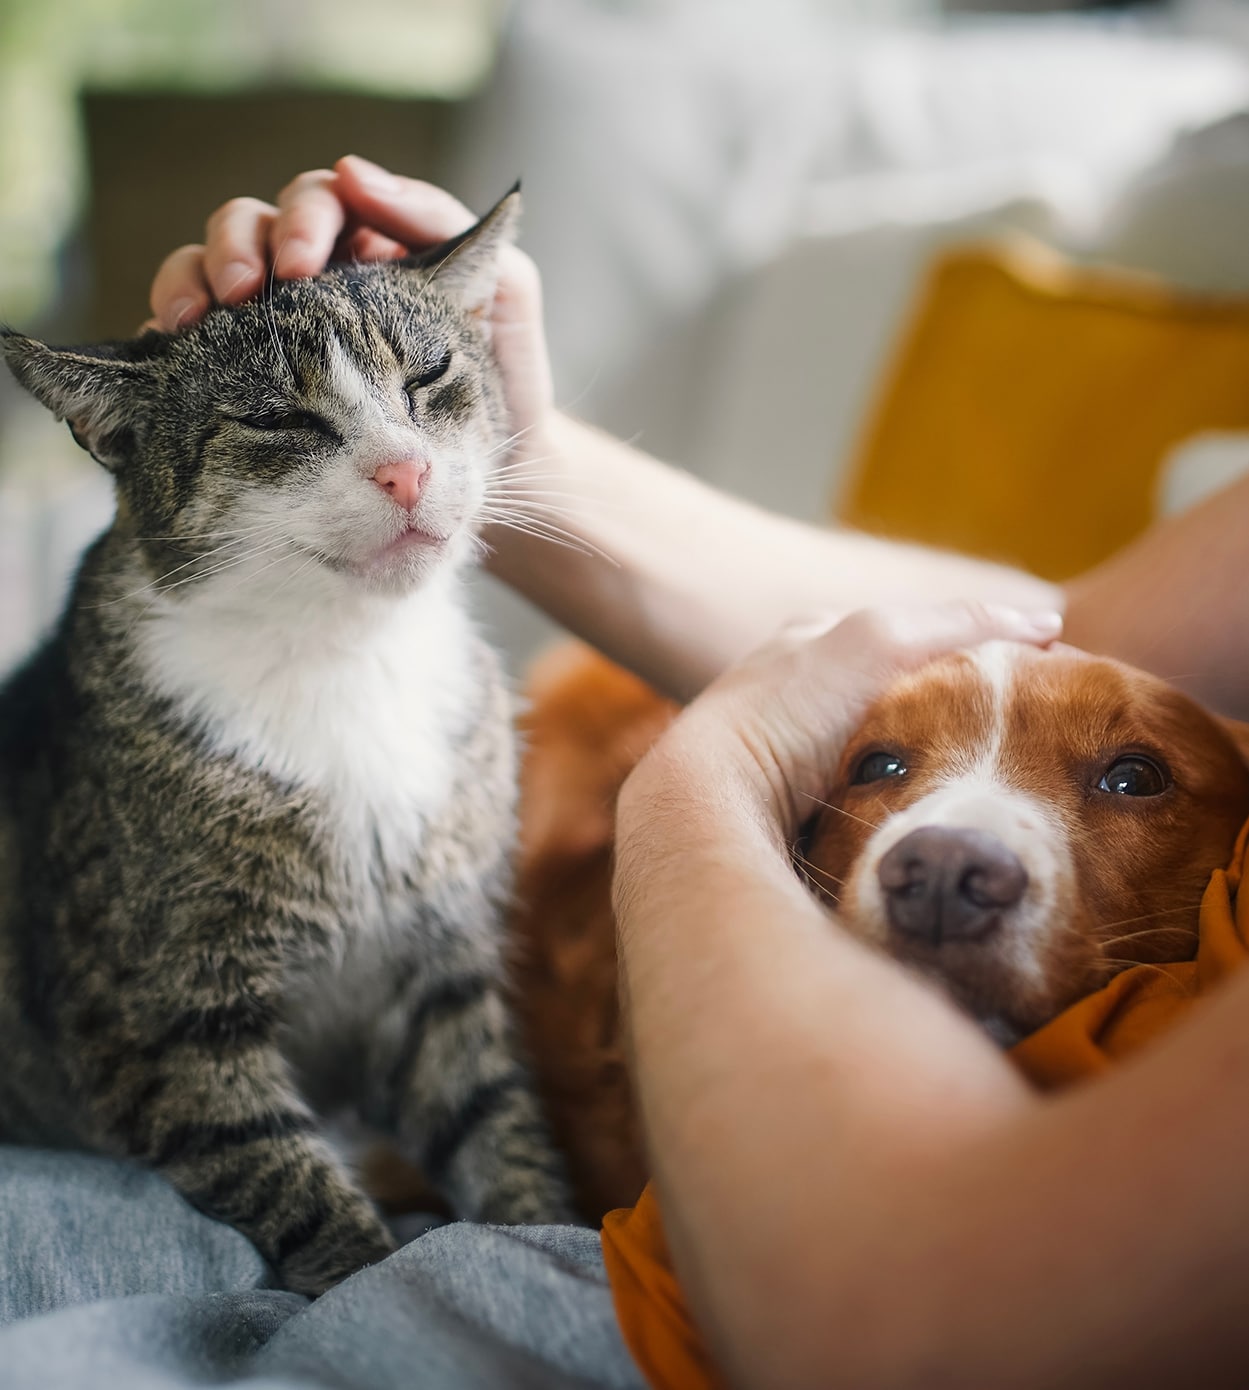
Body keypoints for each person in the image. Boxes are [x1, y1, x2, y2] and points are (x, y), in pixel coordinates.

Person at [1, 156, 1245, 1390]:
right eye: (283, 427)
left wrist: (701, 780)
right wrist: (519, 441)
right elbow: (1055, 636)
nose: (398, 466)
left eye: (429, 392)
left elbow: (908, 1322)